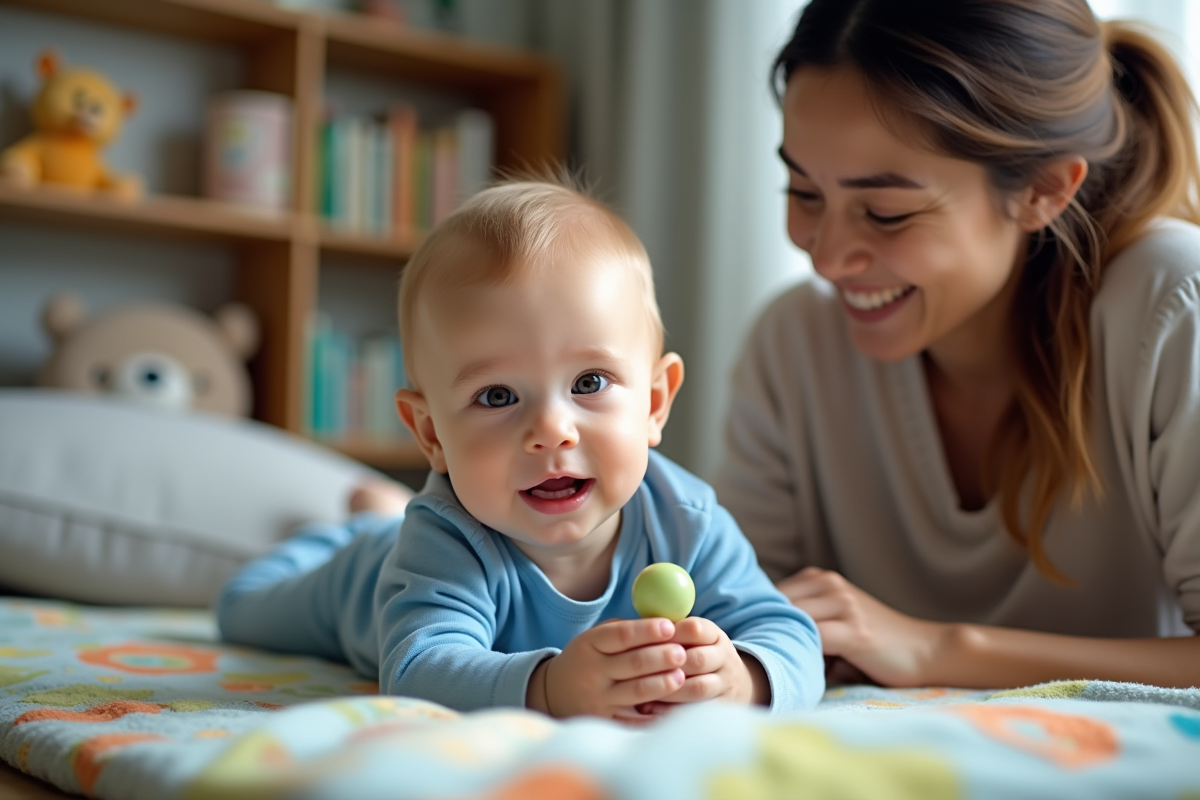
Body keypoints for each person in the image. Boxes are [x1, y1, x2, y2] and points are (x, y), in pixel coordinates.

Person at [714, 0, 1200, 691]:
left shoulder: (1175, 306)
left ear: (1043, 190)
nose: (826, 259)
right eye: (804, 191)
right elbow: (739, 614)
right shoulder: (793, 344)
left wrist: (940, 651)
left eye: (886, 212)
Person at [217, 178, 824, 721]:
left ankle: (378, 512)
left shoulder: (685, 520)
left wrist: (743, 678)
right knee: (241, 608)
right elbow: (416, 669)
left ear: (655, 403)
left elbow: (787, 632)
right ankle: (364, 526)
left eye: (589, 383)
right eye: (498, 395)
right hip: (361, 580)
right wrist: (551, 688)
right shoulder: (447, 540)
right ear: (431, 434)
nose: (551, 431)